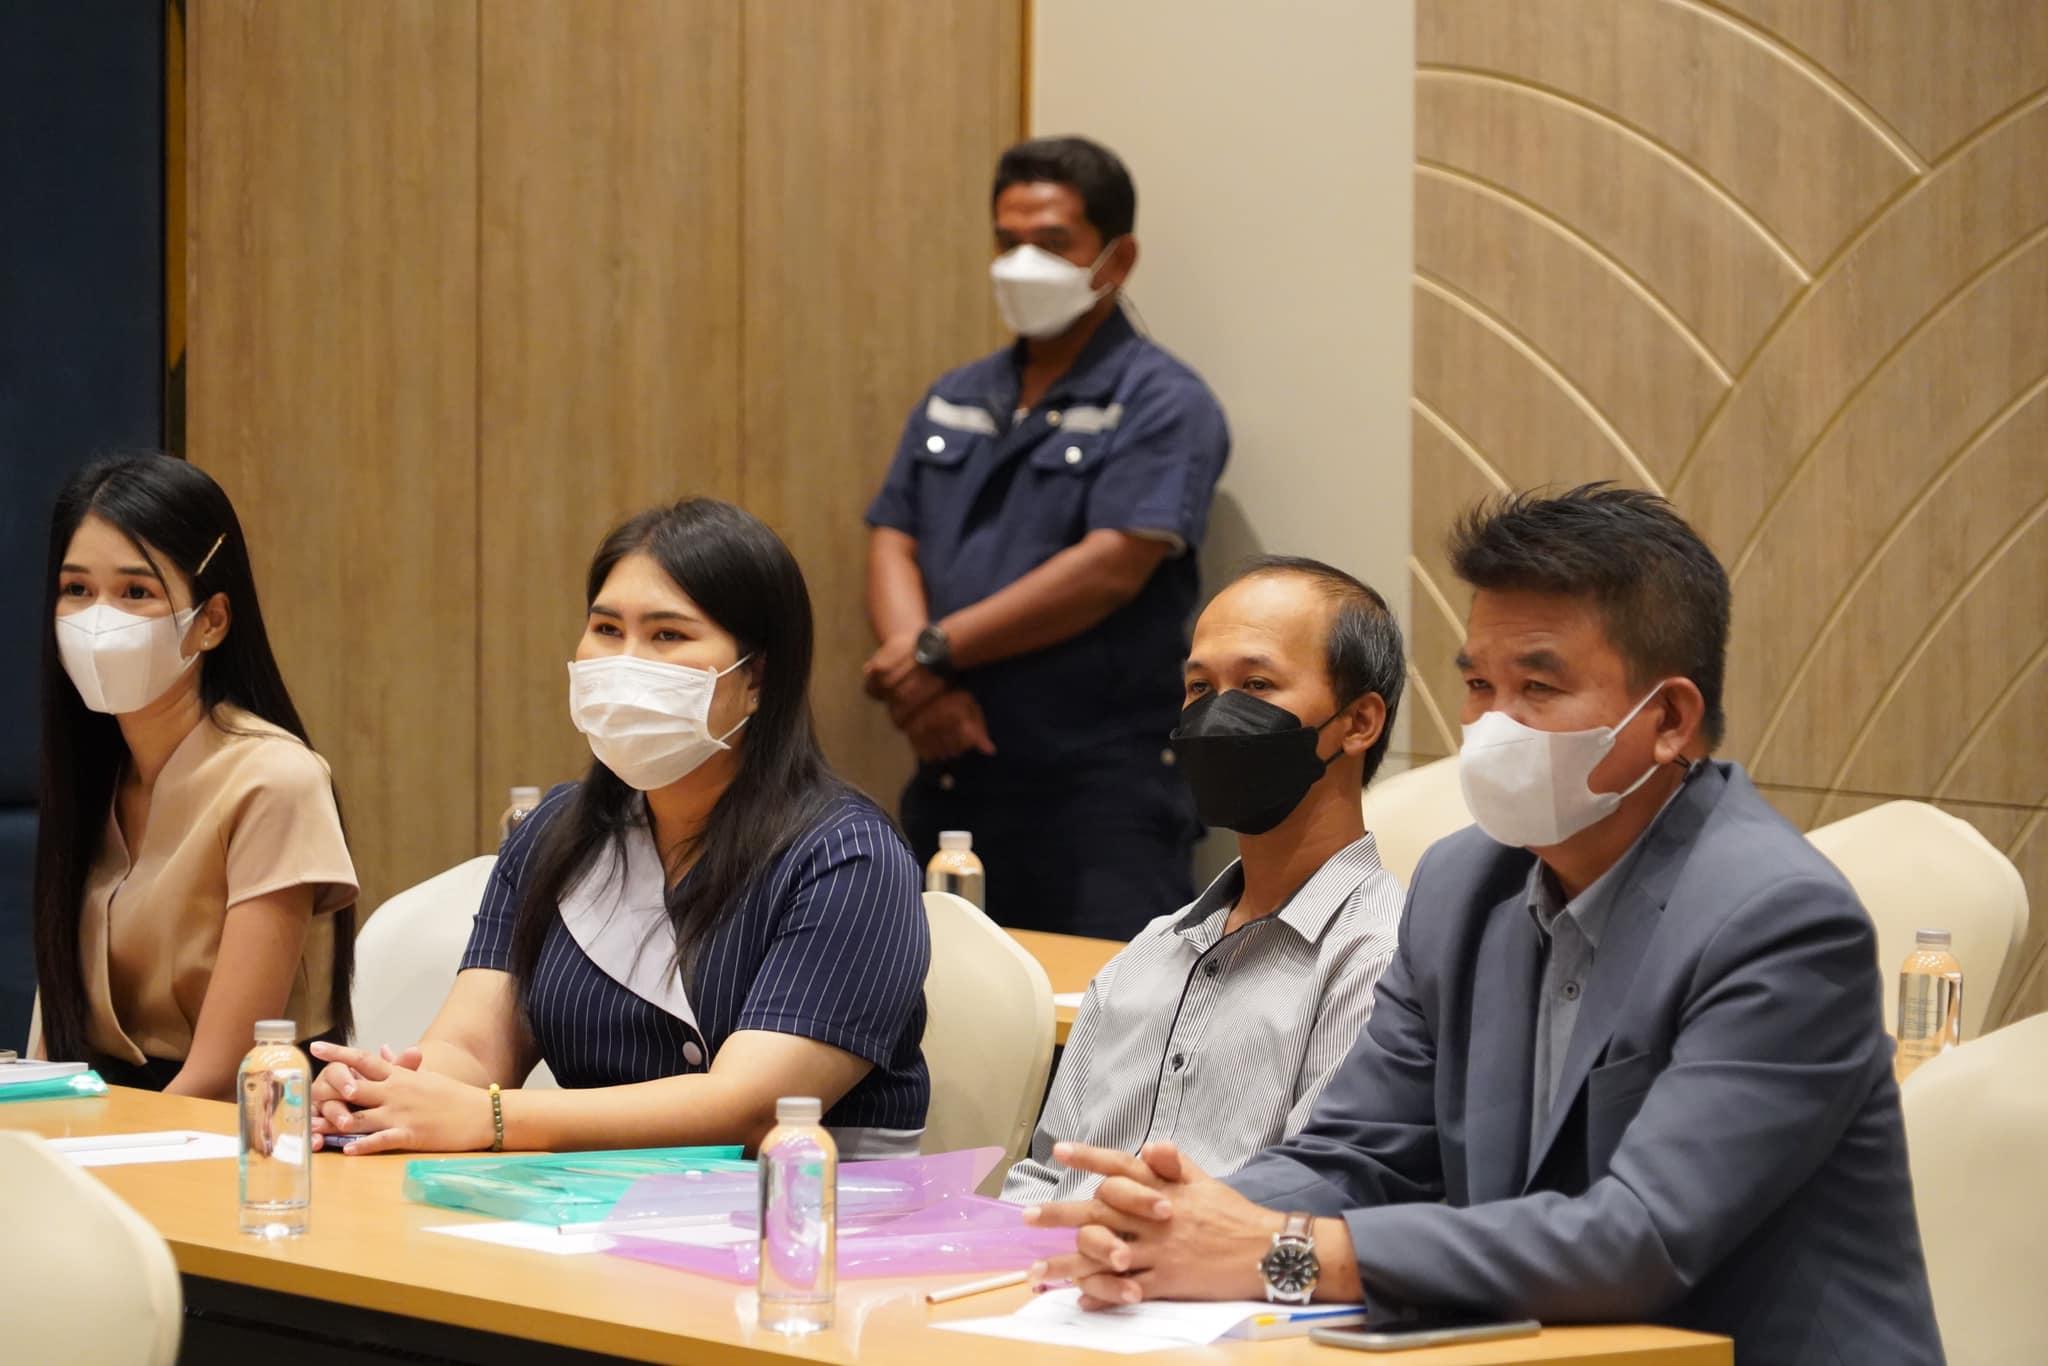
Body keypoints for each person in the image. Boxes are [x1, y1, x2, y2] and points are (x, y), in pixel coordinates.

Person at [1025, 486, 1943, 1362]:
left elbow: (1639, 1238)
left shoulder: (1779, 919)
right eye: (1476, 684)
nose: (1492, 726)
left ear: (1668, 717)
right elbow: (1359, 1155)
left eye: (1537, 688)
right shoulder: (1463, 885)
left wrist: (1281, 1250)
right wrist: (1171, 1220)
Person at [309, 497, 930, 1158]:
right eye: (606, 629)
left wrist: (490, 1118)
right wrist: (387, 1095)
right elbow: (471, 1049)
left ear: (756, 677)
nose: (626, 663)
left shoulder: (849, 856)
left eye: (668, 636)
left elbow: (751, 1107)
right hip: (587, 1197)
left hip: (813, 1203)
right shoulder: (556, 833)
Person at [863, 135, 1229, 939]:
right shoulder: (957, 395)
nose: (1024, 262)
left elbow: (1111, 568)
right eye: (1009, 240)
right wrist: (924, 686)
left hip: (1098, 794)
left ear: (1116, 258)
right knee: (941, 997)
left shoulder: (1163, 401)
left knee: (1102, 1006)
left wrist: (933, 652)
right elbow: (893, 533)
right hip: (952, 769)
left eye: (1053, 242)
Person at [1002, 557, 1407, 1205]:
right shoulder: (1148, 953)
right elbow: (1044, 1176)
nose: (1217, 715)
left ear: (1359, 722)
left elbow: (1324, 1194)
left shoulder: (1383, 958)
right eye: (1199, 687)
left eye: (1256, 685)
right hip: (1057, 1262)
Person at [31, 454, 357, 1098]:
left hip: (231, 1126)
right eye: (77, 590)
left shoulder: (275, 780)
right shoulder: (89, 776)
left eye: (136, 592)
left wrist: (93, 1149)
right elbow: (52, 1053)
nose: (98, 620)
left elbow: (220, 1076)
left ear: (210, 621)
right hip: (99, 1118)